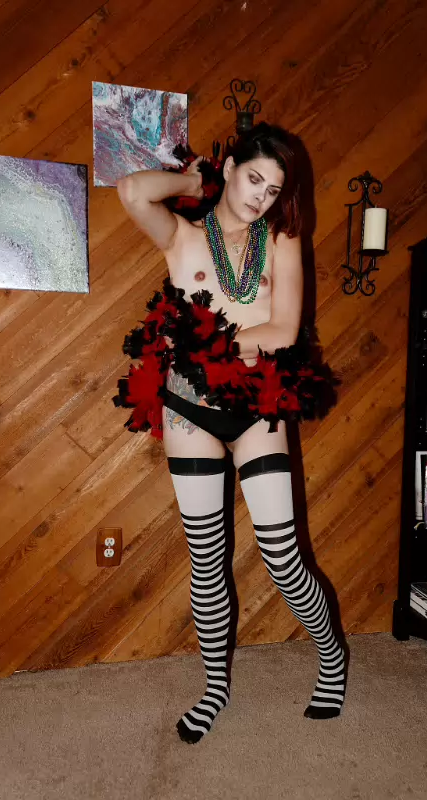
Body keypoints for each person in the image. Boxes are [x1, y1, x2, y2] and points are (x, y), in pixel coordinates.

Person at [114, 122, 346, 744]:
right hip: (189, 408)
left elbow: (284, 330)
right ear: (231, 167)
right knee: (206, 558)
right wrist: (193, 183)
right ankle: (215, 686)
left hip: (256, 405)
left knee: (283, 555)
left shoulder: (282, 240)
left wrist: (206, 347)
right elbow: (132, 192)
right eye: (253, 179)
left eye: (272, 190)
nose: (260, 198)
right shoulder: (182, 235)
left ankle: (332, 660)